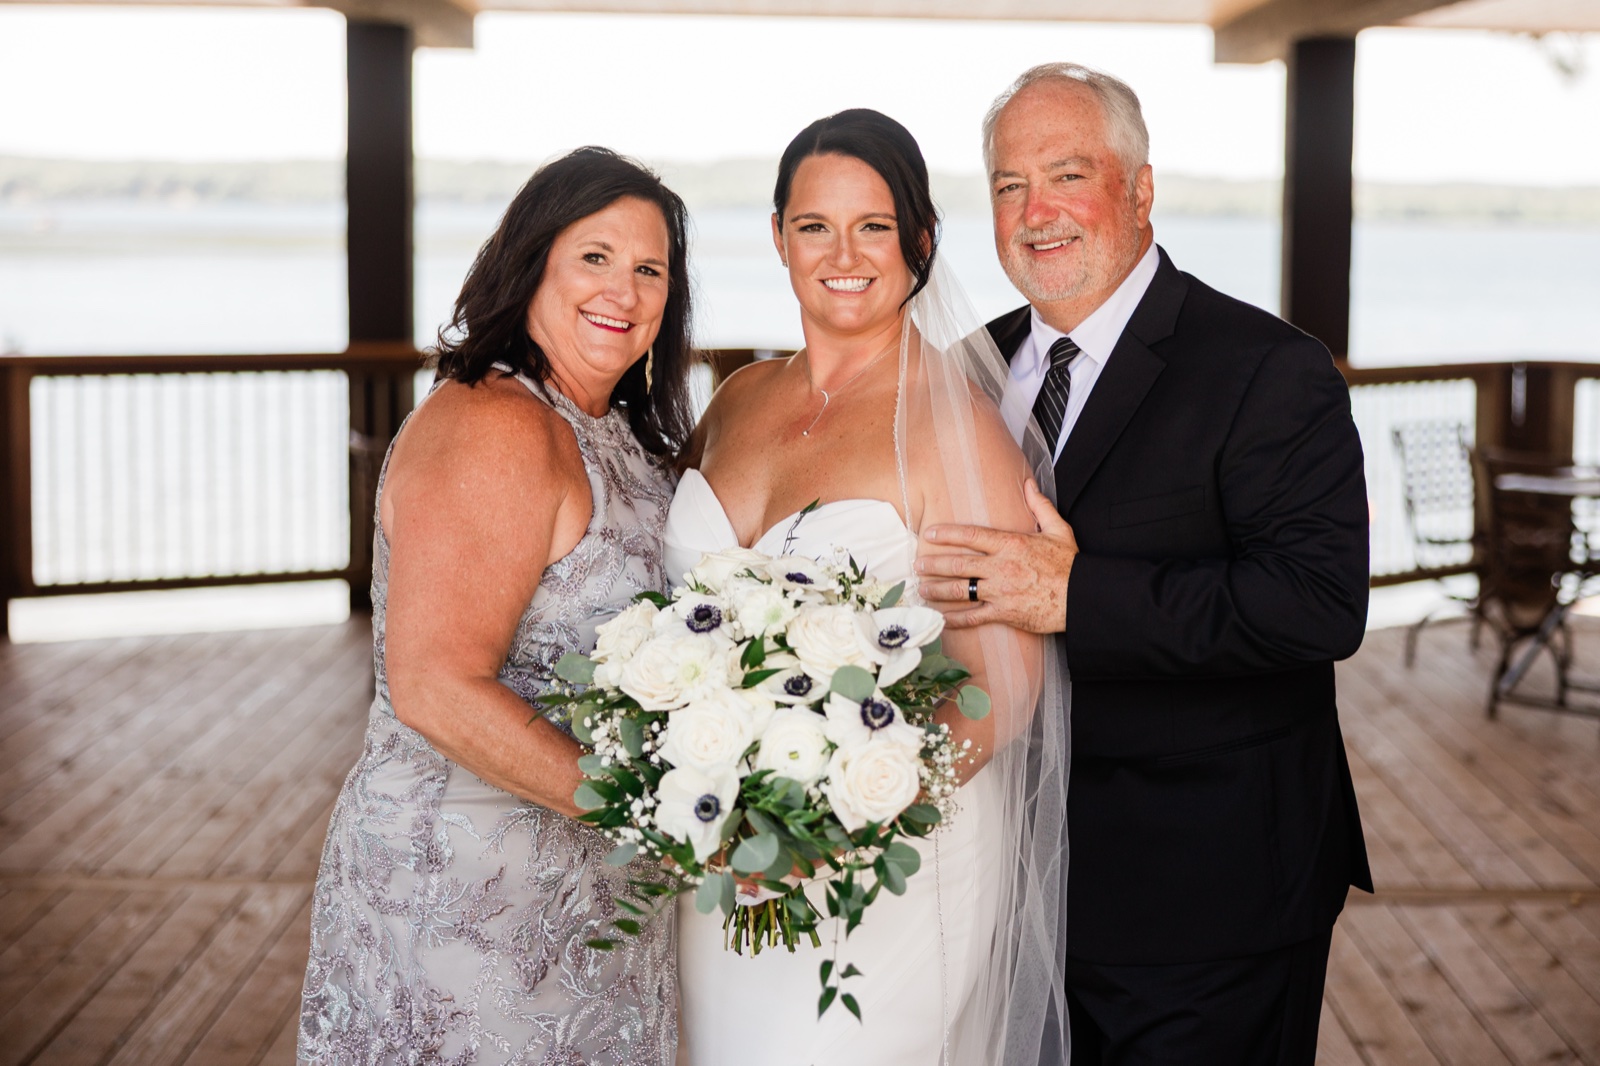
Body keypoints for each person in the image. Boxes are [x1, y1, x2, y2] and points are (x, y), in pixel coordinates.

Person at [916, 64, 1374, 1064]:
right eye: (1006, 186)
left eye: (1066, 174)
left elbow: (1316, 604)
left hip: (1207, 895)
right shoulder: (961, 372)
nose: (1035, 212)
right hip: (1001, 885)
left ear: (1138, 188)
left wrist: (1073, 593)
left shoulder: (1266, 368)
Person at [663, 109, 1069, 1065]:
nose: (843, 254)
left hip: (879, 867)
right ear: (779, 238)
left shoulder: (956, 426)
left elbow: (1003, 690)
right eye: (814, 226)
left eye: (873, 227)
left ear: (921, 242)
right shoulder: (738, 399)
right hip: (726, 861)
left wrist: (830, 821)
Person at [298, 147, 696, 1066]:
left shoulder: (617, 433)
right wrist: (653, 812)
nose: (624, 292)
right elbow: (435, 685)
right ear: (531, 262)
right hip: (467, 909)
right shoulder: (497, 424)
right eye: (594, 257)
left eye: (650, 270)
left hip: (587, 899)